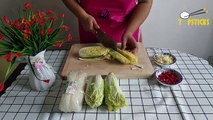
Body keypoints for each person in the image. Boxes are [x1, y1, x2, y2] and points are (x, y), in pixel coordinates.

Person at [62, 0, 152, 54]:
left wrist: (129, 31)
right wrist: (82, 16)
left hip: (128, 33)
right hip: (91, 29)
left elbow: (145, 2)